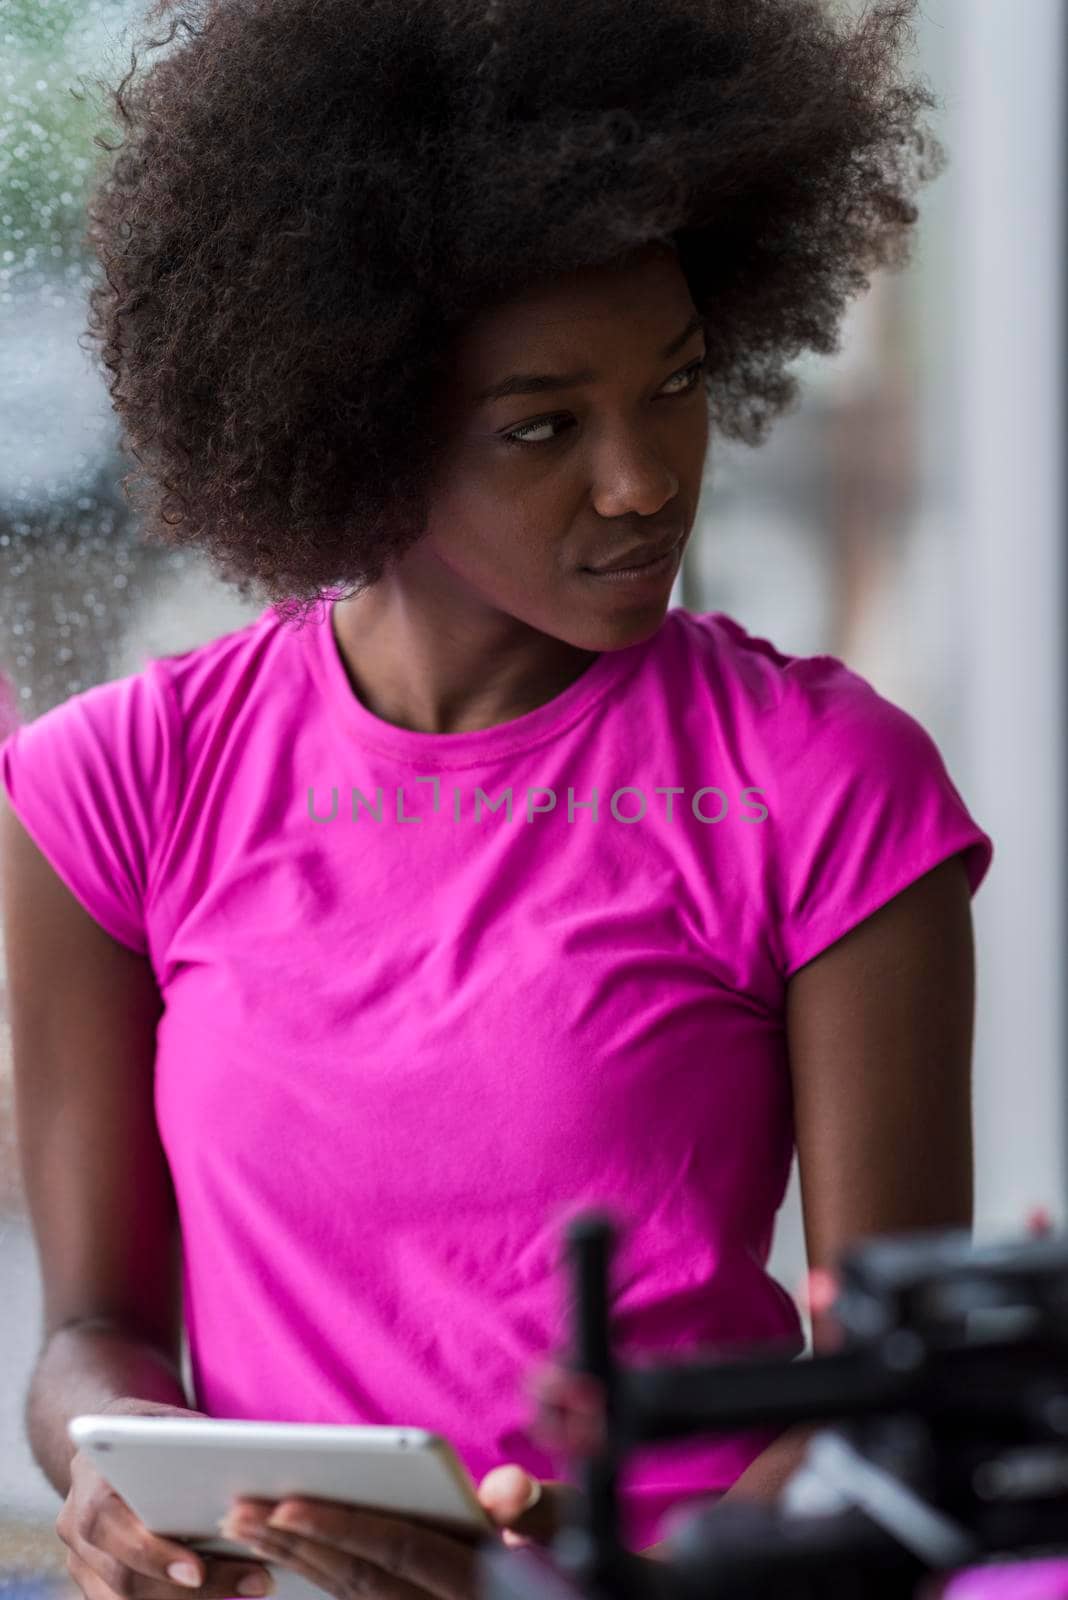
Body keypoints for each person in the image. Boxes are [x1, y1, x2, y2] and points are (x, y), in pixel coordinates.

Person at [0, 0, 993, 1596]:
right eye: (544, 427)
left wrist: (569, 1590)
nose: (644, 478)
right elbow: (85, 1336)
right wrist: (118, 1472)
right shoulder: (121, 785)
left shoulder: (820, 785)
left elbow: (882, 1412)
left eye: (674, 385)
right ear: (360, 423)